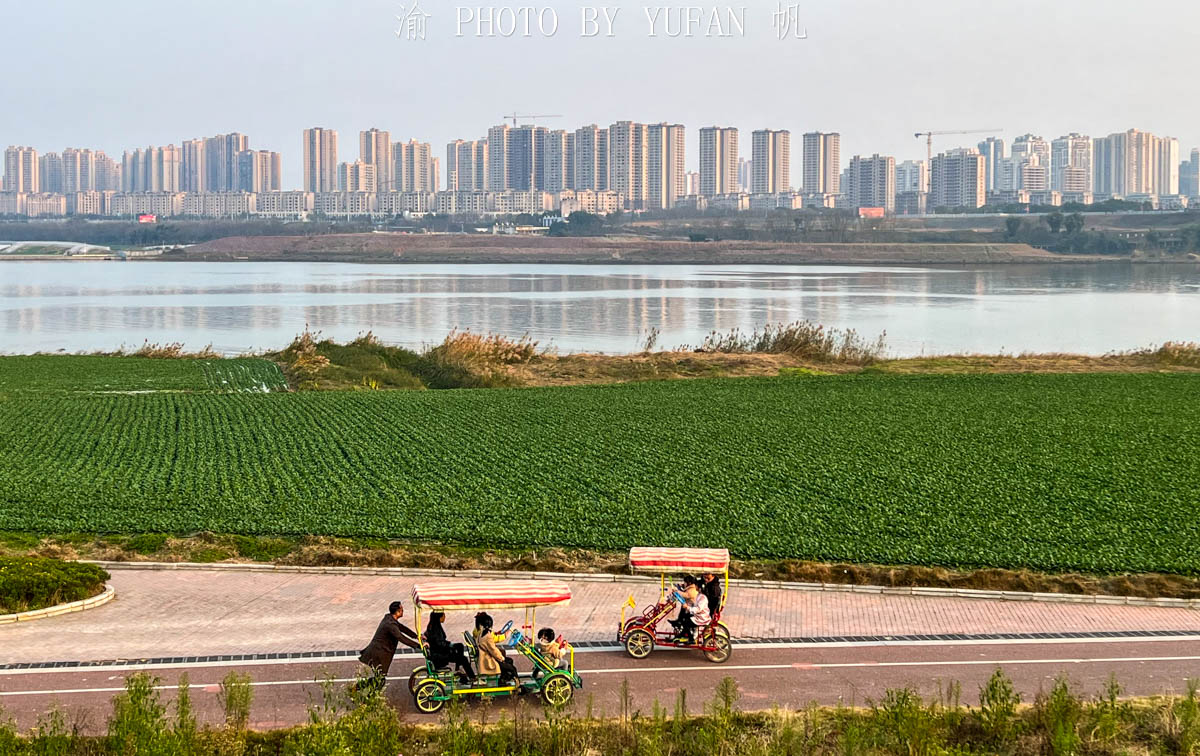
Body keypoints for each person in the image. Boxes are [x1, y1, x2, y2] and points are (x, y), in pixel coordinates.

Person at [357, 600, 420, 693]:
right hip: (378, 654)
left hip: (378, 652)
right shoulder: (390, 624)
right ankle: (366, 695)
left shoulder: (390, 619)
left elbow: (402, 628)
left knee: (379, 679)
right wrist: (417, 646)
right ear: (398, 612)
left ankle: (360, 690)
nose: (403, 611)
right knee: (380, 680)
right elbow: (400, 637)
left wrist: (417, 636)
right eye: (402, 609)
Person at [425, 610, 476, 683]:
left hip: (438, 652)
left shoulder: (433, 626)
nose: (444, 617)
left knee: (460, 646)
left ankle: (458, 670)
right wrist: (450, 646)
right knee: (463, 659)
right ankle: (472, 677)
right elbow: (440, 644)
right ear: (439, 617)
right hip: (440, 655)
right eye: (443, 616)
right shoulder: (436, 629)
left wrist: (450, 645)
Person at [474, 612, 518, 687]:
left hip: (486, 657)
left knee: (509, 661)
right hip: (489, 660)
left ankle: (503, 679)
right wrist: (501, 658)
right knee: (512, 668)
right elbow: (493, 650)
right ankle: (517, 684)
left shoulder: (480, 633)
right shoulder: (487, 636)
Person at [673, 576, 711, 644]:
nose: (695, 587)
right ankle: (682, 635)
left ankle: (691, 639)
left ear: (699, 588)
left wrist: (687, 608)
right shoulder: (699, 595)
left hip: (701, 618)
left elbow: (698, 609)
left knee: (686, 622)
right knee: (685, 618)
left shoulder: (703, 598)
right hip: (698, 615)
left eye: (696, 586)